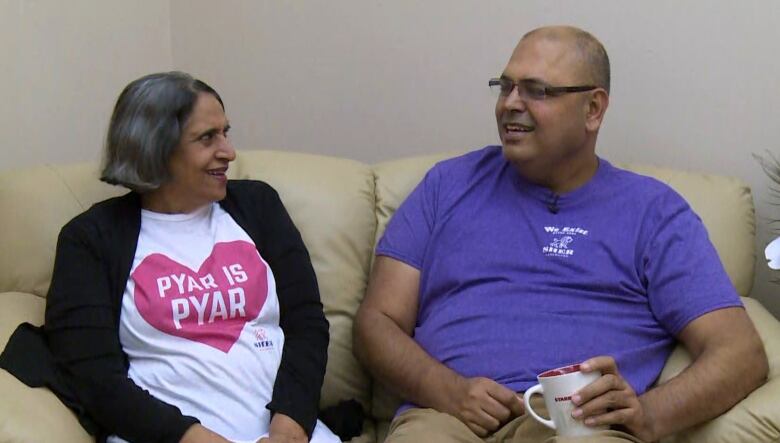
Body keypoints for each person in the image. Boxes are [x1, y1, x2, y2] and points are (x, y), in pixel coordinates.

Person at [354, 26, 768, 443]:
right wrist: (445, 389)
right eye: (506, 86)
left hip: (578, 426)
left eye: (537, 91)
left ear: (593, 109)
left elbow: (740, 354)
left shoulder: (654, 213)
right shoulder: (447, 186)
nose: (511, 104)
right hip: (446, 418)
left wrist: (650, 415)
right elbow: (377, 322)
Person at [1, 72, 339, 443]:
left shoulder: (259, 207)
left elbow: (307, 324)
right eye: (207, 138)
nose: (229, 152)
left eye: (226, 132)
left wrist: (288, 430)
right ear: (155, 149)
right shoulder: (91, 240)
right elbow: (93, 376)